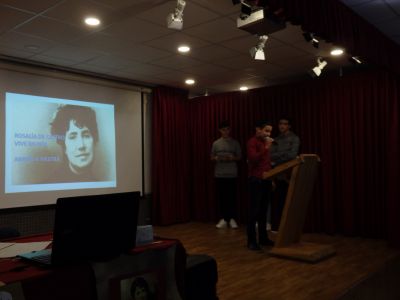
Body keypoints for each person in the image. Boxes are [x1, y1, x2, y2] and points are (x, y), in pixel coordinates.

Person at [49, 104, 99, 182]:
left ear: (94, 141)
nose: (81, 145)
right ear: (64, 147)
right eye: (72, 137)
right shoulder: (50, 184)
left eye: (86, 136)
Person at [246, 120, 275, 250]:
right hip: (255, 180)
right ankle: (251, 241)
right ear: (258, 129)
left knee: (263, 211)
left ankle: (263, 238)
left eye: (270, 131)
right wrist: (267, 148)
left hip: (266, 180)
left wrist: (271, 178)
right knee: (254, 212)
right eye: (266, 130)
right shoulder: (252, 142)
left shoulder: (265, 143)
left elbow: (267, 164)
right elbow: (253, 159)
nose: (268, 134)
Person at [269, 117, 300, 231]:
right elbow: (270, 156)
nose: (282, 126)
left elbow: (293, 155)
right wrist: (283, 154)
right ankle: (278, 227)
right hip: (278, 174)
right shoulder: (275, 140)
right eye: (280, 123)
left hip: (290, 173)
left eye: (285, 124)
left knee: (291, 202)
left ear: (289, 126)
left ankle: (290, 227)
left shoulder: (294, 138)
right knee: (278, 202)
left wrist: (279, 156)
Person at [211, 120, 241, 229]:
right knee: (222, 197)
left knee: (232, 197)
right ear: (220, 130)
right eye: (224, 129)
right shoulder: (216, 143)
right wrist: (217, 158)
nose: (226, 132)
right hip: (219, 174)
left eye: (228, 129)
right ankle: (224, 218)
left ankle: (232, 219)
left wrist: (232, 158)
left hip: (232, 173)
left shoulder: (235, 142)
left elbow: (239, 157)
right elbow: (212, 157)